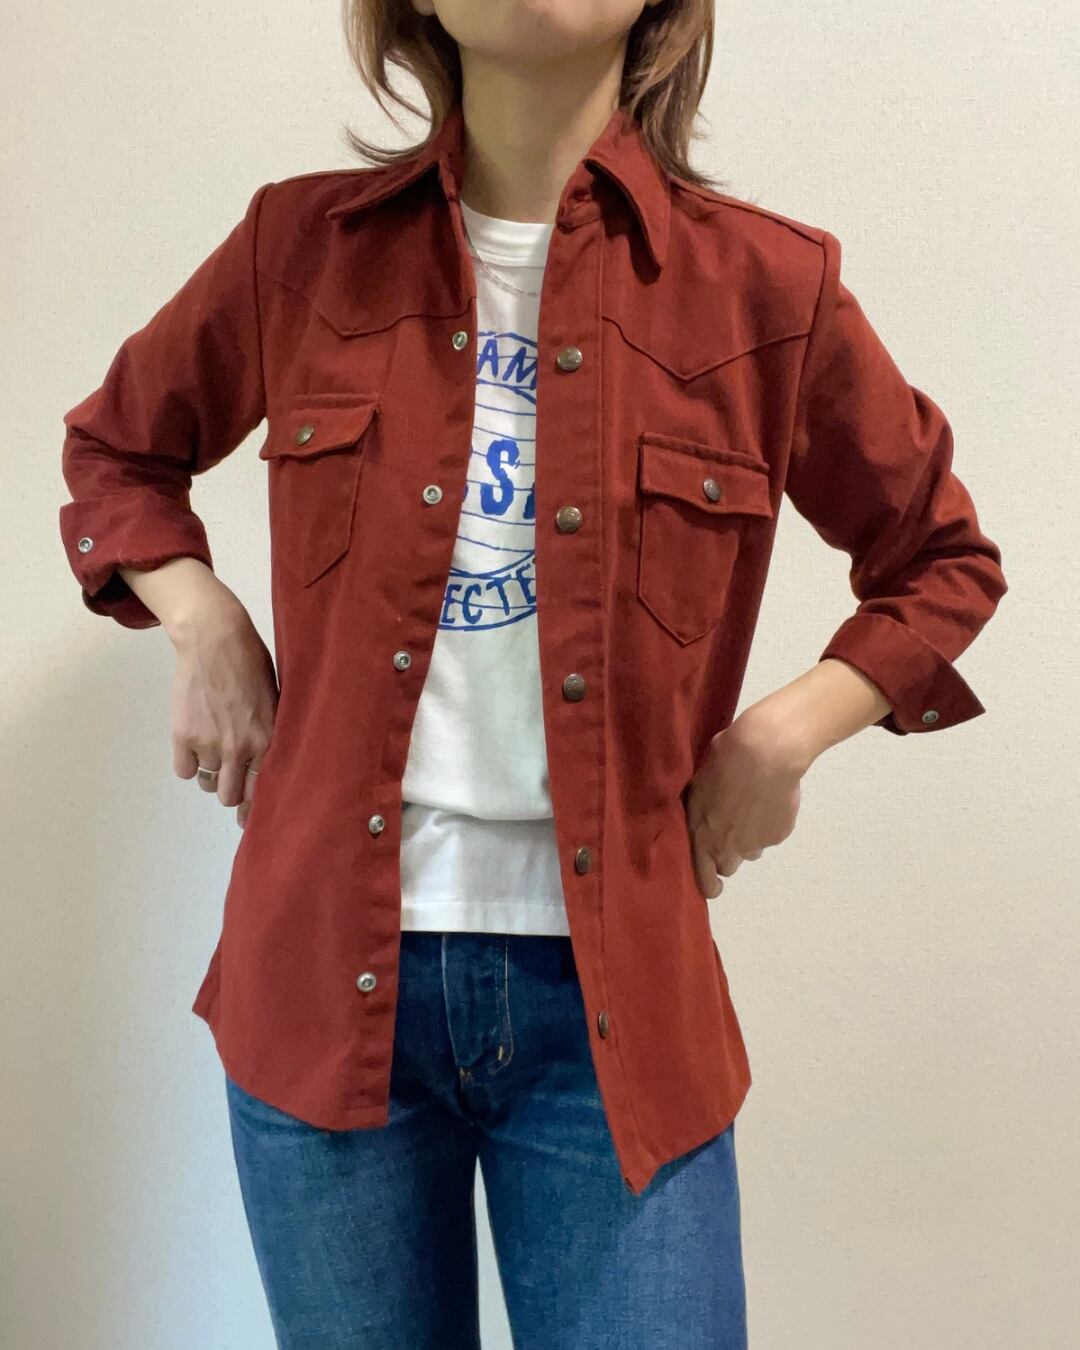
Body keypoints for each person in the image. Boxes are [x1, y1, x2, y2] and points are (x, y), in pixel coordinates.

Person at [57, 2, 1008, 1346]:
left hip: (622, 1012)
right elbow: (116, 451)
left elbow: (942, 560)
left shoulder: (764, 288)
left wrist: (785, 734)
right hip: (322, 984)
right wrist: (199, 614)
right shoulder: (301, 250)